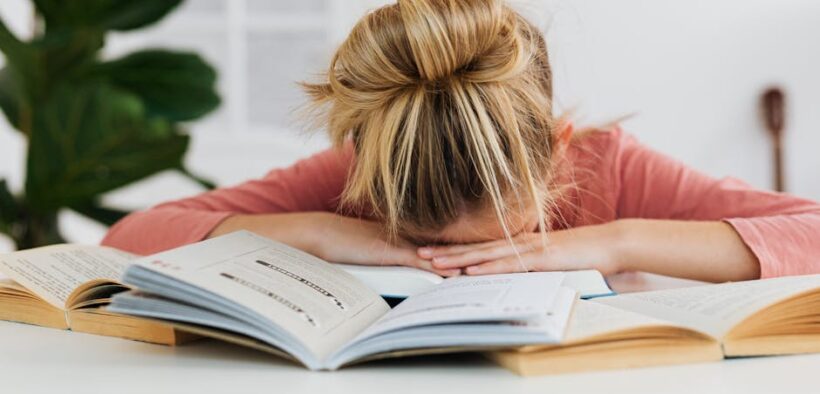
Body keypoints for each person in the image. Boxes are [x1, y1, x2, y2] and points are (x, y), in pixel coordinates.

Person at [103, 0, 820, 283]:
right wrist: (323, 232)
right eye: (427, 247)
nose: (460, 267)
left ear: (557, 148)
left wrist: (613, 242)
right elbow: (133, 236)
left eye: (505, 239)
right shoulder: (360, 167)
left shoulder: (606, 166)